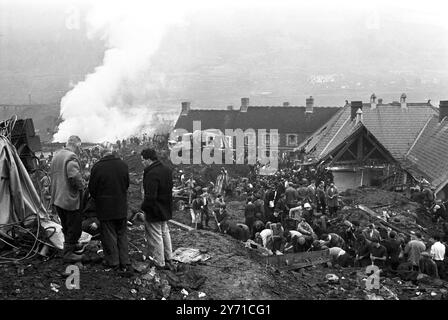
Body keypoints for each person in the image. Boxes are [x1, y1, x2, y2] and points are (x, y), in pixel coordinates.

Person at [89, 148, 131, 271]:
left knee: (109, 235)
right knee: (122, 234)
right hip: (121, 206)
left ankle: (113, 262)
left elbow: (92, 189)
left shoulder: (97, 167)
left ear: (102, 155)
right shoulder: (123, 165)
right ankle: (125, 261)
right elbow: (127, 184)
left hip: (105, 208)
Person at [50, 135, 85, 262]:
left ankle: (71, 245)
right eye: (79, 148)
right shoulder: (71, 156)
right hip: (69, 198)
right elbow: (74, 176)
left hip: (57, 197)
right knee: (74, 226)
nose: (79, 151)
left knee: (65, 225)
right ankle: (69, 254)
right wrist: (82, 186)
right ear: (77, 145)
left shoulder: (57, 155)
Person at [140, 148, 174, 270]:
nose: (142, 163)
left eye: (143, 160)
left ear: (149, 159)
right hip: (166, 207)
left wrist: (143, 208)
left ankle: (160, 262)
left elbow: (150, 196)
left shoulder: (151, 173)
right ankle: (169, 258)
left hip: (154, 209)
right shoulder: (166, 169)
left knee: (156, 236)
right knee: (165, 232)